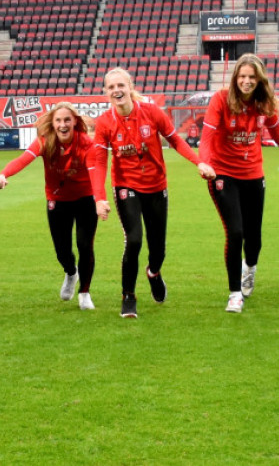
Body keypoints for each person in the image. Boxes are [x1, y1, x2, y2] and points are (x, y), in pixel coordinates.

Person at [89, 68, 215, 319]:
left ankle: (154, 272)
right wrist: (99, 198)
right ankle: (128, 296)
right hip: (126, 186)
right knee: (133, 240)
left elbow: (176, 140)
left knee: (158, 248)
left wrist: (198, 161)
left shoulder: (152, 112)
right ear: (106, 92)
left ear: (130, 86)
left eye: (120, 85)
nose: (116, 91)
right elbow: (100, 161)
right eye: (111, 87)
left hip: (156, 186)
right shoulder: (104, 122)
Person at [197, 55, 279, 312]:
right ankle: (234, 294)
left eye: (252, 77)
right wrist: (204, 162)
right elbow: (207, 135)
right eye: (242, 76)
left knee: (254, 237)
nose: (246, 81)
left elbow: (278, 133)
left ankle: (249, 268)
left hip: (253, 175)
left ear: (259, 80)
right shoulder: (220, 99)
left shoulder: (264, 103)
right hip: (223, 175)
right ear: (235, 78)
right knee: (236, 231)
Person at [0, 102, 100, 310]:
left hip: (85, 199)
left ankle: (84, 293)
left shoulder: (86, 144)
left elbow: (95, 172)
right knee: (62, 251)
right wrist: (3, 174)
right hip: (57, 200)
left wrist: (100, 199)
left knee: (85, 246)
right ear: (52, 123)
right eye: (58, 120)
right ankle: (71, 272)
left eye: (67, 120)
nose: (62, 125)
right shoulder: (44, 142)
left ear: (75, 121)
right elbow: (23, 159)